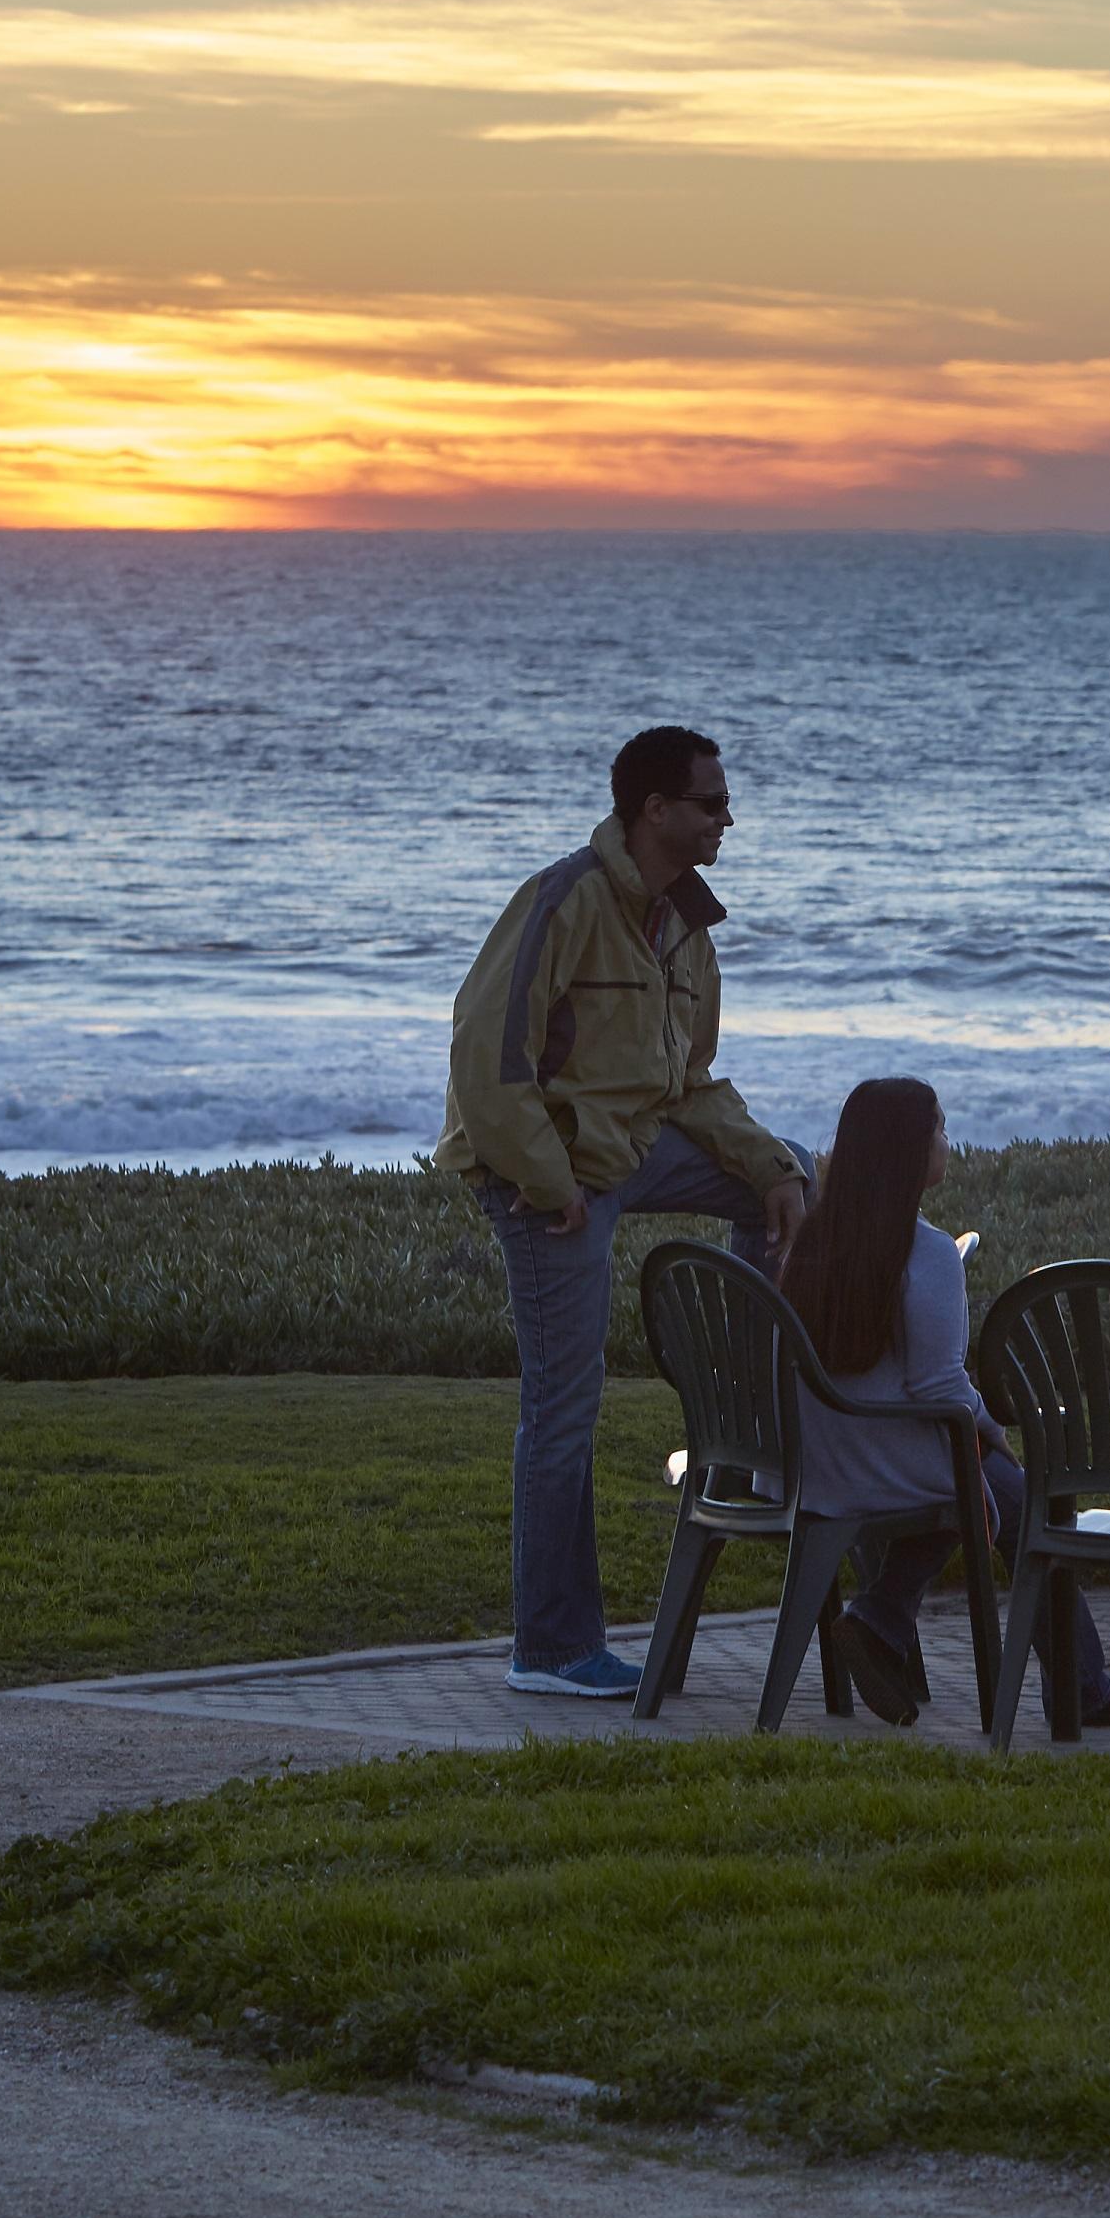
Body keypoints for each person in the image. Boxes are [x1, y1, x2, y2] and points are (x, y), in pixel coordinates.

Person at [439, 725, 810, 1700]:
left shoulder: (685, 926)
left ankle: (754, 1414)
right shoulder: (564, 901)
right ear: (655, 810)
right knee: (563, 1412)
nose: (728, 818)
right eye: (710, 803)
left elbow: (688, 1083)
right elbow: (487, 1055)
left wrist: (767, 1168)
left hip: (634, 1153)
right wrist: (550, 1182)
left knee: (795, 1179)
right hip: (546, 1181)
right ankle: (552, 1649)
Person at [782, 1076, 1110, 1731]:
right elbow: (938, 1386)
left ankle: (880, 1620)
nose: (948, 1144)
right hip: (885, 1458)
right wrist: (990, 1430)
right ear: (908, 1152)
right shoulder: (923, 1252)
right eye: (941, 1130)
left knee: (985, 1487)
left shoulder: (813, 1240)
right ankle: (1079, 1688)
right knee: (1017, 1497)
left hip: (819, 1459)